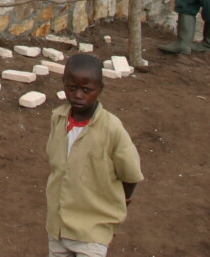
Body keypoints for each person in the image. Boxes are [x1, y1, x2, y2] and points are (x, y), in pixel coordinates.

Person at [46, 53, 143, 257]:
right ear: (63, 83)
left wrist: (121, 203)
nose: (78, 95)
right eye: (71, 87)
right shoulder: (58, 119)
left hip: (93, 229)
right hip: (58, 227)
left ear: (100, 89)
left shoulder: (112, 129)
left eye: (87, 90)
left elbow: (131, 175)